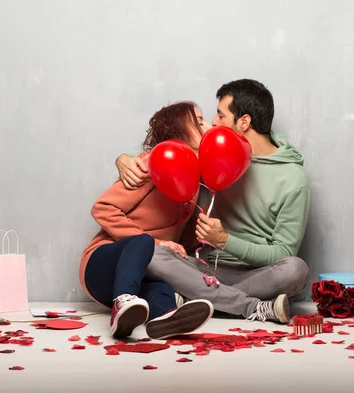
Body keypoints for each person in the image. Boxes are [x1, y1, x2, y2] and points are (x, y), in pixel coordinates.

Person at [115, 79, 310, 324]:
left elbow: (283, 252)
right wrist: (123, 159)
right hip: (201, 270)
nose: (213, 122)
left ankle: (199, 299)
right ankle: (249, 307)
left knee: (296, 270)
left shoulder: (294, 180)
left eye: (220, 115)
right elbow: (166, 154)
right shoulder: (211, 151)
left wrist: (225, 241)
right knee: (152, 254)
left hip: (255, 275)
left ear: (244, 122)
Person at [80, 101, 214, 339]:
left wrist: (203, 234)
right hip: (102, 264)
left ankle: (166, 320)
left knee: (162, 290)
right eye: (200, 121)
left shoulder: (194, 179)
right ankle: (122, 302)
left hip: (144, 272)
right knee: (143, 241)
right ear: (181, 129)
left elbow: (177, 232)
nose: (209, 125)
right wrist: (157, 243)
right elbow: (103, 208)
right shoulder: (149, 165)